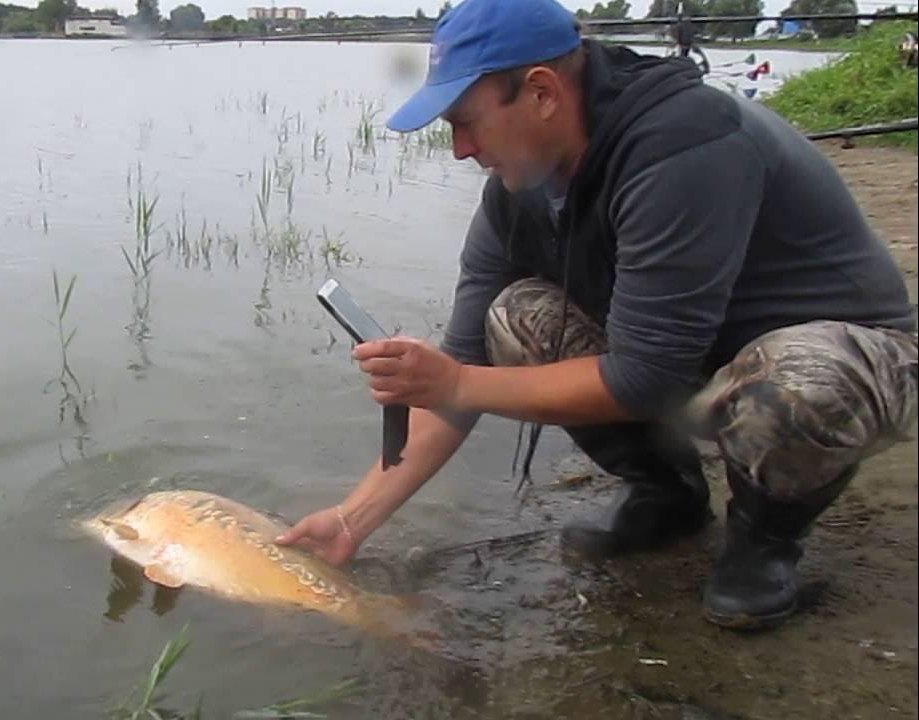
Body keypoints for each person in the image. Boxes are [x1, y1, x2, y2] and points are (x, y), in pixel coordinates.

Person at [274, 0, 918, 631]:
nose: (459, 149)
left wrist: (456, 382)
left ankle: (765, 539)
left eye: (466, 121)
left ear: (542, 92)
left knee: (797, 385)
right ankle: (667, 493)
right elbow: (462, 370)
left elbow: (645, 378)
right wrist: (352, 519)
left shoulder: (683, 144)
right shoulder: (517, 191)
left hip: (853, 356)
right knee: (515, 318)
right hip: (699, 358)